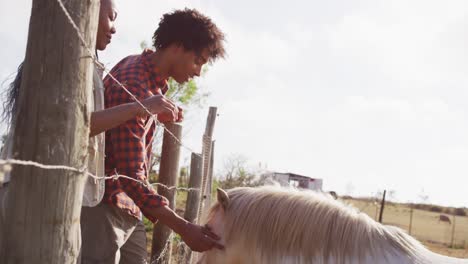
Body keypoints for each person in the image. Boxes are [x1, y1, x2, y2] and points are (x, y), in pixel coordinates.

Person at [0, 0, 180, 256]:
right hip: (33, 193)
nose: (114, 28)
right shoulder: (61, 58)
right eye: (111, 17)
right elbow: (67, 126)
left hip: (54, 192)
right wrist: (139, 107)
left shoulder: (86, 64)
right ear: (87, 12)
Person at [80, 8, 226, 263]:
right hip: (107, 206)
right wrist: (184, 229)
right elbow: (131, 177)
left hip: (128, 208)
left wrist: (153, 115)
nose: (198, 72)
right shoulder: (137, 87)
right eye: (198, 60)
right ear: (178, 47)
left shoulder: (138, 71)